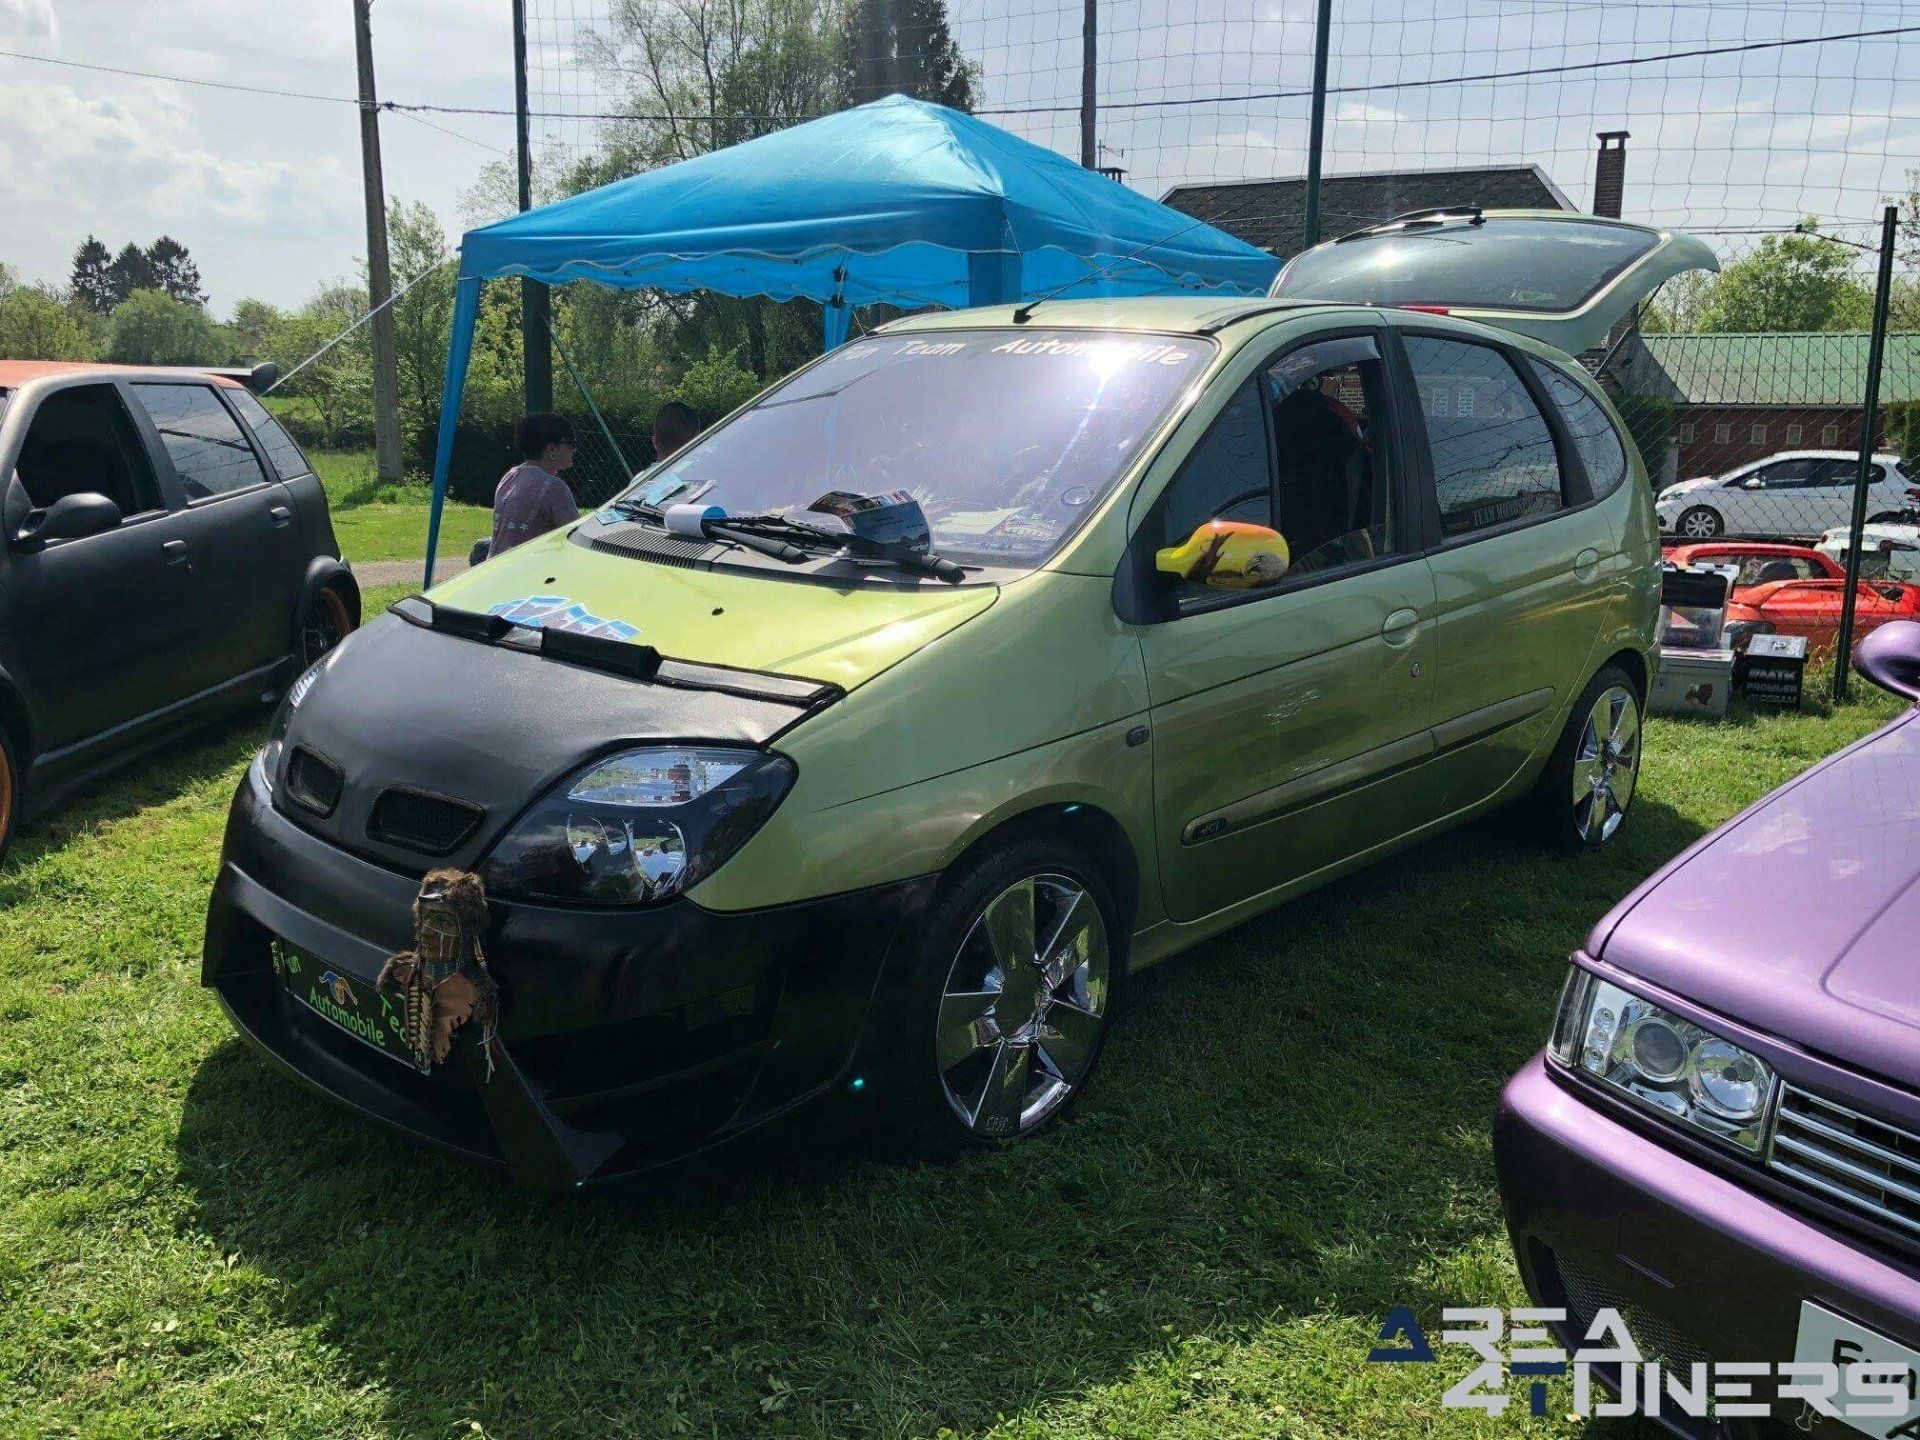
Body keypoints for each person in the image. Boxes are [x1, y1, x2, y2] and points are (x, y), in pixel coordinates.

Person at [490, 412, 579, 558]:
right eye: (571, 443)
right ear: (552, 449)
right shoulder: (554, 487)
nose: (574, 450)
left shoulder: (509, 477)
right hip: (531, 571)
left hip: (498, 566)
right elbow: (575, 536)